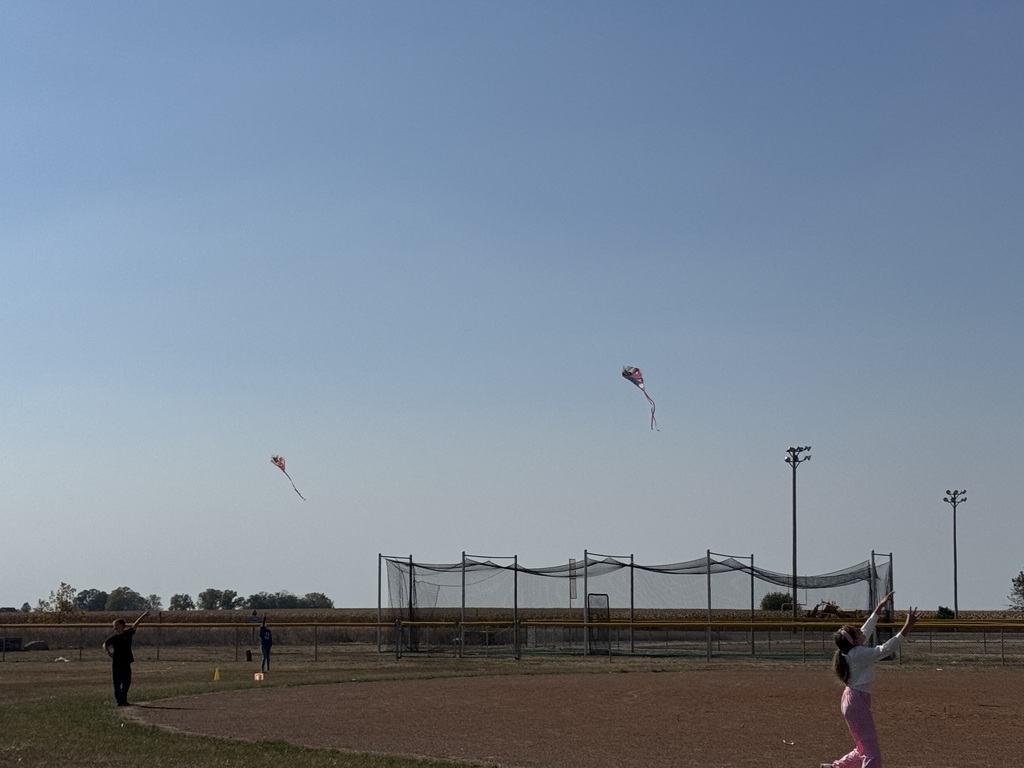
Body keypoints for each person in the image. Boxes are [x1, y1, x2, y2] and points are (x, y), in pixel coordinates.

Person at [821, 592, 918, 768]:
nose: (861, 631)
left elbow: (866, 630)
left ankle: (836, 767)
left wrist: (878, 609)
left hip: (852, 699)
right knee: (872, 752)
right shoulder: (858, 654)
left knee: (863, 747)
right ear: (854, 640)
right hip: (856, 701)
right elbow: (885, 649)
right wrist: (906, 627)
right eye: (857, 632)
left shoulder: (851, 651)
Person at [102, 609, 150, 706]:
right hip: (116, 663)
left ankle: (124, 700)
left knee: (126, 682)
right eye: (114, 626)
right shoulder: (114, 638)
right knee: (116, 683)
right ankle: (119, 701)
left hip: (126, 662)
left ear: (121, 625)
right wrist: (108, 652)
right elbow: (105, 644)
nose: (114, 627)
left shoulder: (127, 634)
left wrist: (143, 616)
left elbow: (136, 624)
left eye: (116, 625)